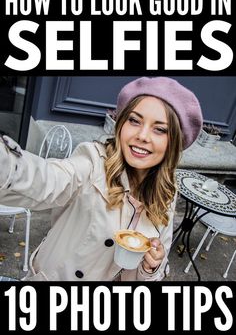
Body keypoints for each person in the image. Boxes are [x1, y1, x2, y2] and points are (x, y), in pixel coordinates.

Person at [0, 77, 203, 281]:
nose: (142, 135)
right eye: (134, 120)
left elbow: (159, 259)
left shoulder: (167, 191)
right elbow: (46, 179)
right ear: (121, 125)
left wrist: (152, 268)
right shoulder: (93, 162)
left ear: (173, 143)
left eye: (160, 129)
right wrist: (7, 164)